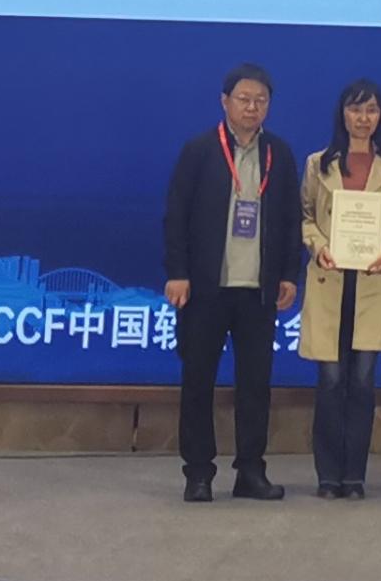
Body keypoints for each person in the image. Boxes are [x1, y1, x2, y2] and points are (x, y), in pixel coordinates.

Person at [163, 63, 300, 502]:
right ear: (225, 102)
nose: (252, 107)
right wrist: (177, 272)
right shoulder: (200, 150)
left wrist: (288, 275)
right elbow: (176, 215)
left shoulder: (279, 154)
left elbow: (290, 220)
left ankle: (251, 472)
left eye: (261, 100)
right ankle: (198, 474)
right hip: (206, 288)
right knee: (198, 381)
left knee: (255, 386)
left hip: (258, 291)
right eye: (244, 99)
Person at [299, 79, 381, 499]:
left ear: (380, 116)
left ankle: (354, 476)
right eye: (355, 109)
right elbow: (305, 217)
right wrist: (319, 245)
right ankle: (328, 476)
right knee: (330, 382)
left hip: (372, 283)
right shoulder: (318, 164)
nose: (363, 118)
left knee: (362, 384)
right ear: (342, 114)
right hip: (329, 280)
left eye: (371, 110)